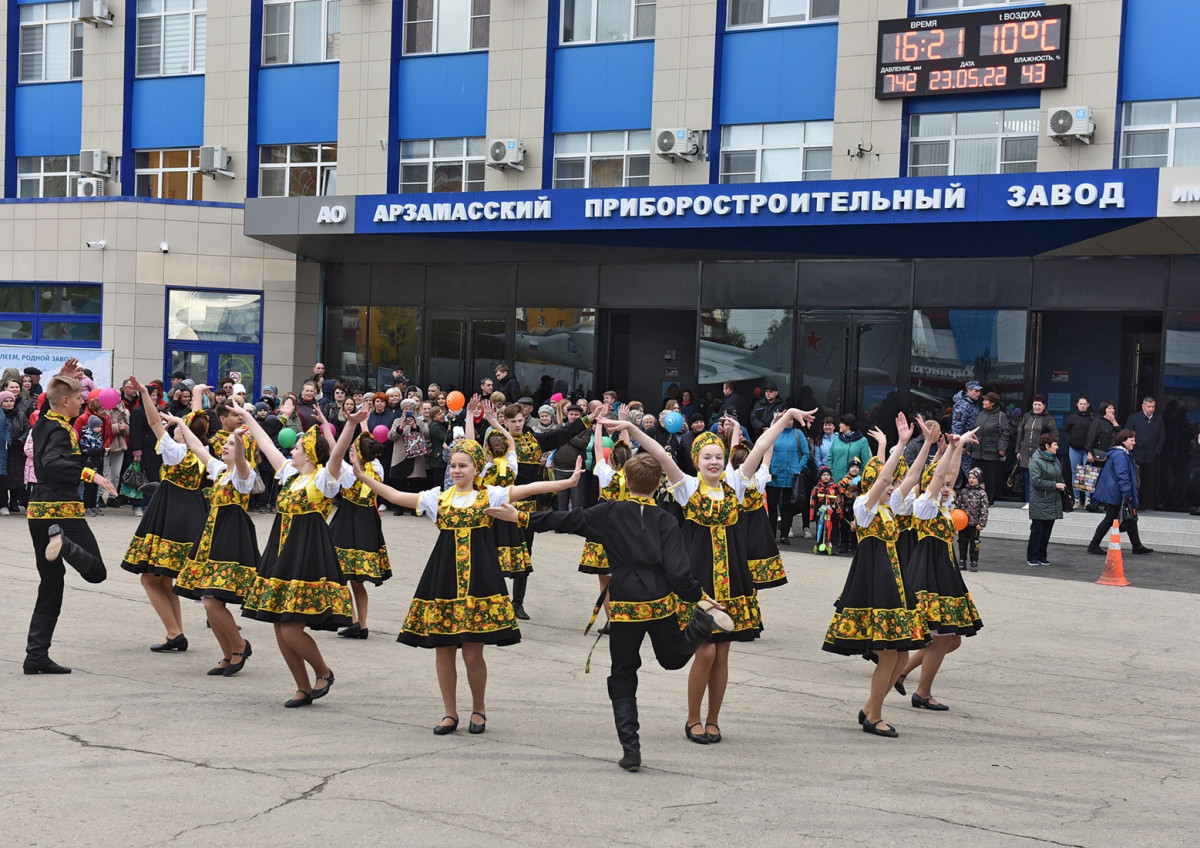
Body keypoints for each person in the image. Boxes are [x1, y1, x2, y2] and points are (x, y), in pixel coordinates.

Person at [490, 453, 734, 772]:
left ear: (627, 483)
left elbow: (567, 519)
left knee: (623, 671)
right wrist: (701, 598)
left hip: (625, 604)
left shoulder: (610, 512)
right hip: (660, 601)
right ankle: (700, 628)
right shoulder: (667, 520)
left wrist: (521, 519)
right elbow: (678, 573)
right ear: (659, 485)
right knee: (672, 658)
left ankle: (631, 749)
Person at [351, 438, 582, 735]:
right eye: (453, 465)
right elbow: (395, 495)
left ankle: (479, 709)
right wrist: (362, 476)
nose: (457, 470)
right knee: (443, 648)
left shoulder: (491, 495)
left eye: (463, 465)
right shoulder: (439, 498)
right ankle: (449, 713)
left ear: (477, 469)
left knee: (473, 653)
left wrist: (569, 482)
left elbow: (530, 489)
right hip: (443, 579)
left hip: (480, 582)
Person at [608, 408, 810, 744]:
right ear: (697, 460)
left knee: (723, 653)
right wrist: (631, 427)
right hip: (698, 580)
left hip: (733, 581)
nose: (714, 462)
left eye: (719, 456)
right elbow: (658, 453)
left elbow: (760, 447)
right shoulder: (686, 487)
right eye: (707, 457)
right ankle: (692, 719)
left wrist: (786, 416)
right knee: (704, 651)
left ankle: (714, 719)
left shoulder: (737, 483)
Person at [233, 405, 363, 708]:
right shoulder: (290, 475)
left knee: (291, 628)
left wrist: (350, 426)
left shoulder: (322, 479)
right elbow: (266, 444)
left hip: (308, 554)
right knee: (280, 626)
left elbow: (337, 455)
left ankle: (323, 671)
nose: (293, 450)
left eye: (299, 447)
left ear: (310, 454)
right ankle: (302, 687)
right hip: (282, 551)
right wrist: (246, 416)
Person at [823, 414, 928, 739]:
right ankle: (875, 715)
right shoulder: (863, 507)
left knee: (901, 654)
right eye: (887, 483)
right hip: (874, 588)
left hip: (896, 586)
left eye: (893, 485)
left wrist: (924, 445)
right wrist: (896, 445)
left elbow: (911, 475)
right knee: (888, 654)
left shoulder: (890, 507)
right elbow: (884, 478)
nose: (893, 486)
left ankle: (870, 708)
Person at [23, 361, 116, 674]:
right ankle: (63, 546)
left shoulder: (44, 421)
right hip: (63, 512)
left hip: (38, 513)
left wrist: (60, 376)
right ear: (65, 401)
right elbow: (51, 464)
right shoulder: (61, 431)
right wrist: (91, 475)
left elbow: (47, 399)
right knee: (97, 572)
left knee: (51, 582)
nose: (82, 402)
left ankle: (36, 656)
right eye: (77, 398)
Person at [893, 430, 983, 712]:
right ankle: (922, 692)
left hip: (945, 568)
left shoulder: (943, 506)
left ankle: (902, 673)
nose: (946, 486)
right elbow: (938, 477)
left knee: (952, 639)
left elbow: (951, 473)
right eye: (940, 482)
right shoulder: (924, 505)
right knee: (942, 637)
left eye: (948, 484)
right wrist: (942, 454)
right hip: (929, 571)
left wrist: (959, 445)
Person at [171, 418, 260, 676]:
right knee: (208, 601)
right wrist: (179, 421)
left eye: (231, 444)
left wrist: (240, 440)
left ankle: (240, 646)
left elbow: (242, 462)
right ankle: (228, 653)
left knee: (212, 601)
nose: (226, 446)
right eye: (226, 443)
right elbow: (197, 446)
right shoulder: (220, 471)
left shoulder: (244, 475)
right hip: (212, 536)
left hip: (233, 537)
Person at [328, 431, 393, 639]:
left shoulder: (348, 472)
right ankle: (362, 624)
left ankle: (354, 620)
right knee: (358, 580)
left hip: (347, 523)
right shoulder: (377, 469)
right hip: (368, 524)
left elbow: (334, 453)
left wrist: (324, 424)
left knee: (341, 575)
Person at [1087, 428, 1154, 555]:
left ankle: (1136, 545)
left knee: (1130, 518)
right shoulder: (1120, 455)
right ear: (1123, 441)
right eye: (1131, 440)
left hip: (1116, 492)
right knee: (1113, 518)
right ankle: (1094, 544)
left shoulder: (1121, 454)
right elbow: (1122, 475)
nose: (1134, 443)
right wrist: (1127, 493)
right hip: (1117, 493)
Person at [765, 417, 807, 547]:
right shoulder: (773, 432)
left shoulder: (798, 433)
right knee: (772, 507)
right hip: (774, 474)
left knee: (787, 507)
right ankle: (771, 535)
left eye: (790, 420)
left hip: (791, 475)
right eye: (785, 419)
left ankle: (784, 534)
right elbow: (765, 450)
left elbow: (805, 453)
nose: (788, 422)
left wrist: (799, 468)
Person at [1027, 433, 1066, 566]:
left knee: (1047, 530)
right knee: (1037, 530)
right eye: (1055, 444)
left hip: (1052, 500)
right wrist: (1055, 485)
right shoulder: (1036, 460)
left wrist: (1061, 484)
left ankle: (1042, 556)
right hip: (1040, 500)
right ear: (1047, 446)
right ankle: (1032, 556)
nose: (1057, 447)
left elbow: (1058, 475)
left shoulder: (1054, 459)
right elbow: (1036, 481)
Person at [1016, 396, 1059, 506]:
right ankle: (1029, 501)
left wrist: (1049, 449)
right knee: (1027, 478)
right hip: (1025, 452)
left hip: (1040, 453)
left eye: (1039, 405)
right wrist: (1018, 450)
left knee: (1039, 478)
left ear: (1044, 406)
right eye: (1035, 404)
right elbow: (1020, 434)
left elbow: (1055, 435)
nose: (1037, 407)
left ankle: (1038, 501)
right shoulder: (1026, 416)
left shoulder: (1049, 418)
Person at [1125, 397, 1165, 510]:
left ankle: (1146, 502)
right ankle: (1134, 502)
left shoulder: (1158, 419)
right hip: (1136, 453)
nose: (1151, 409)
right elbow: (1127, 434)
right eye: (1149, 407)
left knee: (1149, 479)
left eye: (1153, 407)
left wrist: (1157, 451)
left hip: (1151, 455)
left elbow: (1162, 437)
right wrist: (1131, 449)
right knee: (1135, 479)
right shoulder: (1134, 418)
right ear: (1143, 406)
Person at [970, 393, 1010, 504]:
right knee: (974, 476)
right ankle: (974, 499)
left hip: (991, 453)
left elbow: (1005, 433)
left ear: (992, 403)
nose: (983, 402)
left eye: (986, 400)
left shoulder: (1001, 416)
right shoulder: (981, 414)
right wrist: (969, 446)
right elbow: (973, 431)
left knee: (989, 479)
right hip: (977, 451)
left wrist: (1001, 448)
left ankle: (989, 501)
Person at [1084, 401, 1119, 512]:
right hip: (1097, 455)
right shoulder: (1097, 421)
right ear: (1104, 409)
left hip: (1110, 456)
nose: (1112, 410)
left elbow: (1120, 435)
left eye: (1113, 408)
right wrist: (1089, 452)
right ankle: (1093, 503)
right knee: (1094, 479)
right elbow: (1091, 437)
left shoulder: (1112, 423)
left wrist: (1114, 421)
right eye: (1109, 408)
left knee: (1106, 480)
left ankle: (1103, 502)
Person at [1062, 397, 1094, 508]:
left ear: (1088, 405)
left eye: (1084, 404)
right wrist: (1070, 441)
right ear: (1077, 404)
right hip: (1074, 449)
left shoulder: (1092, 419)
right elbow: (1064, 430)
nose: (1082, 406)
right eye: (1080, 403)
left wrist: (1090, 449)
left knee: (1087, 473)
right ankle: (1076, 500)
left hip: (1087, 450)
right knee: (1075, 474)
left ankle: (1087, 500)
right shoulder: (1072, 418)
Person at [956, 467, 989, 572]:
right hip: (963, 524)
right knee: (962, 541)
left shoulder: (982, 493)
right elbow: (958, 506)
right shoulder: (963, 491)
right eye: (969, 477)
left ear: (978, 479)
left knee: (974, 543)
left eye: (974, 478)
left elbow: (984, 509)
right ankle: (962, 559)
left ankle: (974, 561)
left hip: (975, 524)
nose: (971, 480)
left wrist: (982, 523)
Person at [951, 380, 983, 481]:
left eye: (979, 391)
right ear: (968, 390)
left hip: (971, 444)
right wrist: (961, 445)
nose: (979, 393)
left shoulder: (973, 403)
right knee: (966, 472)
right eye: (976, 391)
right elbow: (957, 426)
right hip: (964, 445)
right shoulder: (963, 405)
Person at [809, 465, 841, 554]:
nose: (826, 477)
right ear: (820, 476)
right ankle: (819, 544)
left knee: (833, 528)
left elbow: (839, 500)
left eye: (828, 474)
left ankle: (833, 545)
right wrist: (812, 515)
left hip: (832, 511)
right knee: (820, 527)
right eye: (824, 475)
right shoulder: (817, 488)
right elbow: (813, 502)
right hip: (821, 511)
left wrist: (839, 512)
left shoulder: (835, 487)